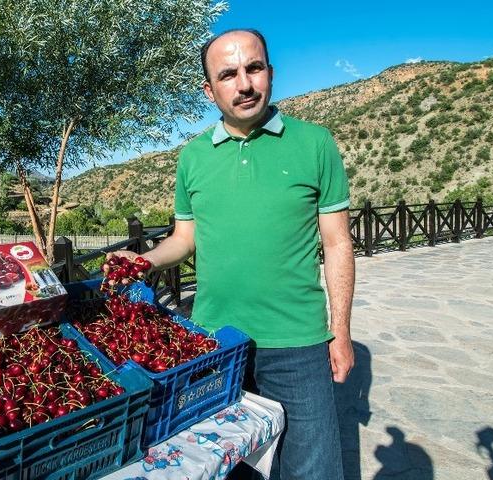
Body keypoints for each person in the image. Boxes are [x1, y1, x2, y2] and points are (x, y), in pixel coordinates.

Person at [106, 29, 355, 479]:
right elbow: (184, 239)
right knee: (226, 468)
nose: (244, 84)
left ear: (270, 73)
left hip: (297, 342)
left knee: (311, 470)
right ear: (210, 89)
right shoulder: (193, 157)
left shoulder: (315, 143)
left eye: (253, 68)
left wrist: (339, 331)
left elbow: (338, 243)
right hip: (213, 344)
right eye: (228, 74)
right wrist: (144, 261)